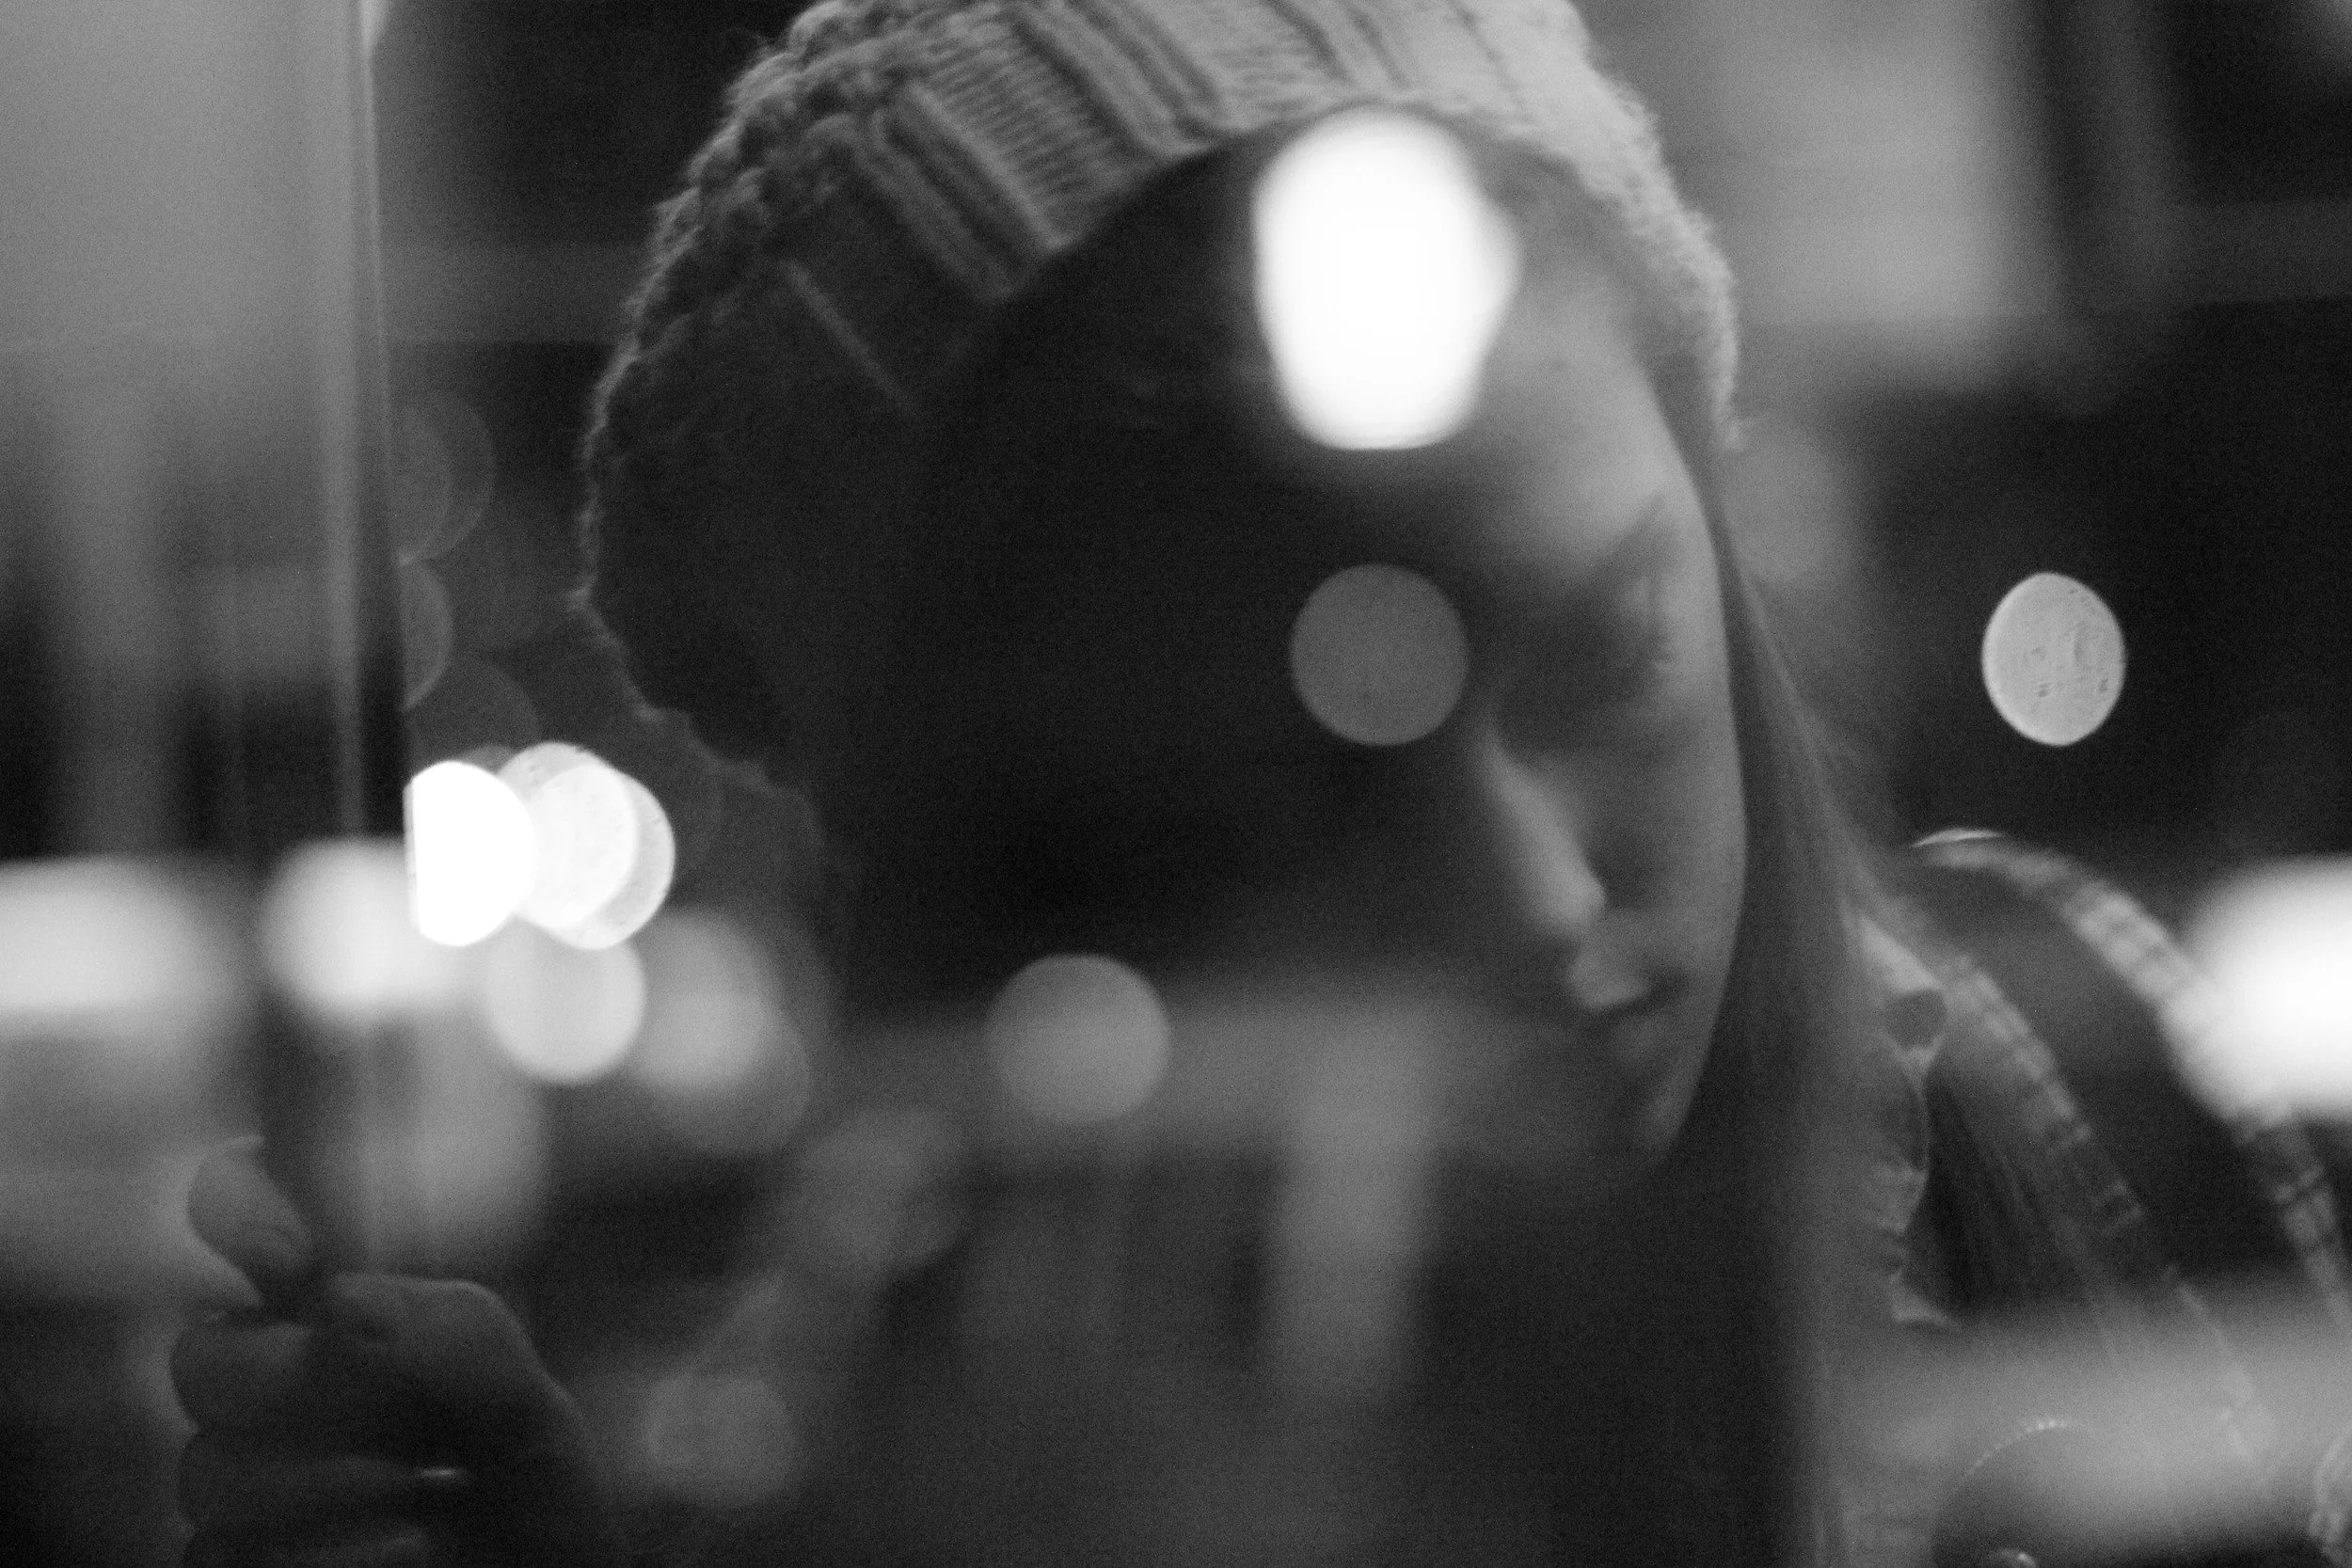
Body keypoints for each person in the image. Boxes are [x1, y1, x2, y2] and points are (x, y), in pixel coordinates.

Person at [168, 2, 2352, 1564]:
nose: (1522, 899)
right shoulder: (960, 1428)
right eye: (1284, 787)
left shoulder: (2093, 1105)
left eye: (1599, 644)